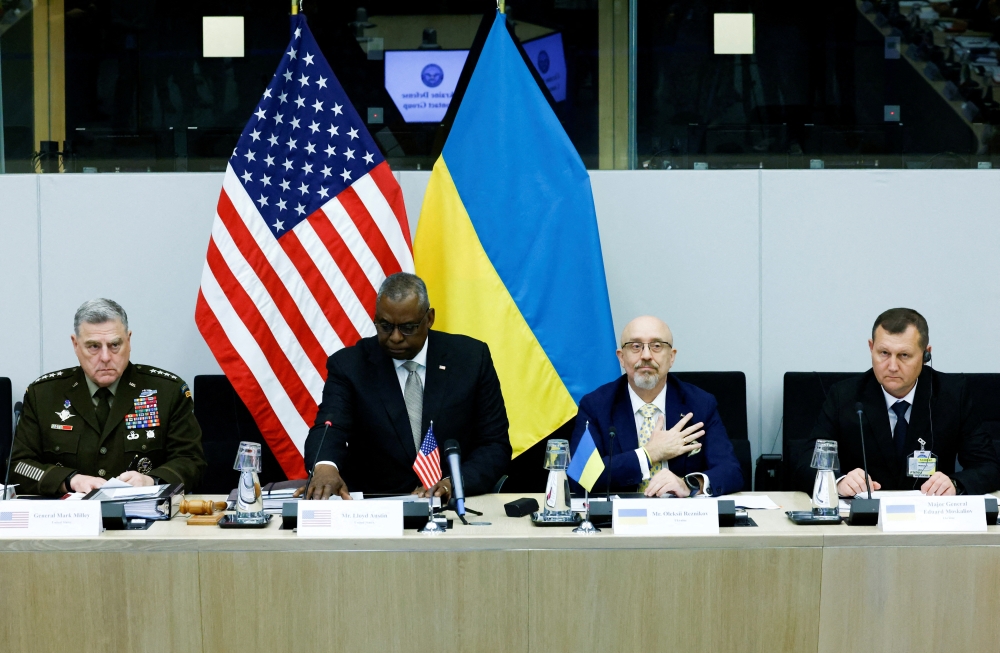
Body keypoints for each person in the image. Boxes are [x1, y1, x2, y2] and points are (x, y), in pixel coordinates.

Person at [300, 273, 511, 500]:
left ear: (429, 318)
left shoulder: (470, 359)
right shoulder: (350, 366)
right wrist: (324, 466)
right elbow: (330, 426)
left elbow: (494, 444)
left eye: (408, 327)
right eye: (385, 326)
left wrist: (455, 483)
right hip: (377, 507)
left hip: (456, 505)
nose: (396, 337)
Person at [791, 308, 1000, 497]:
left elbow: (989, 467)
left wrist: (955, 484)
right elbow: (805, 463)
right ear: (871, 348)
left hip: (931, 520)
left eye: (904, 355)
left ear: (926, 354)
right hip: (863, 522)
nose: (892, 366)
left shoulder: (952, 395)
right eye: (884, 353)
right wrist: (839, 481)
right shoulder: (845, 396)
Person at [11, 299, 206, 495]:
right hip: (67, 518)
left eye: (114, 345)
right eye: (93, 346)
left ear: (128, 341)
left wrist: (151, 480)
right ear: (75, 345)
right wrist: (69, 480)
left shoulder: (166, 392)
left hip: (147, 517)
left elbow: (191, 461)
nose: (105, 357)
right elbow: (18, 466)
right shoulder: (44, 395)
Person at [569, 316, 744, 497]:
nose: (646, 355)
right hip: (620, 519)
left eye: (657, 346)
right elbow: (581, 477)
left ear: (671, 357)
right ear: (621, 358)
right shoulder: (596, 406)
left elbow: (731, 472)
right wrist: (649, 454)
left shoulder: (700, 404)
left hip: (682, 518)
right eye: (635, 346)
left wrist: (689, 484)